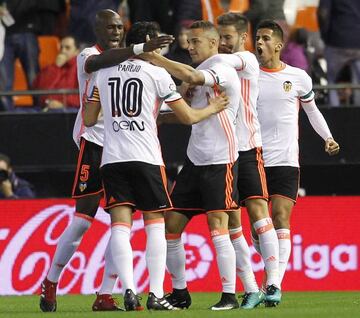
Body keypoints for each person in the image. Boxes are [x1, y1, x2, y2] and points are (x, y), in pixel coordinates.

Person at [83, 21, 229, 311]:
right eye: (159, 44)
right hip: (147, 158)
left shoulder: (103, 73)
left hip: (112, 159)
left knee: (120, 227)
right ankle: (156, 293)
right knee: (154, 224)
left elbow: (89, 119)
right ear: (149, 43)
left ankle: (128, 289)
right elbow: (187, 118)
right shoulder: (157, 74)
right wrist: (212, 108)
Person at [39, 9, 174, 313]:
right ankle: (51, 280)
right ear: (97, 29)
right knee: (83, 218)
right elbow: (98, 64)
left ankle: (106, 292)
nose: (115, 31)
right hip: (94, 143)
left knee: (121, 221)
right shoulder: (89, 54)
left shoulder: (134, 64)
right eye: (109, 27)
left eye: (119, 27)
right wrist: (142, 49)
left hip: (125, 147)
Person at [143, 20, 242, 310]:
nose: (189, 47)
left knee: (217, 224)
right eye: (187, 42)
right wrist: (158, 117)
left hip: (220, 160)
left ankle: (229, 295)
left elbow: (192, 77)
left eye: (194, 42)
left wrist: (154, 57)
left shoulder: (221, 69)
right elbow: (188, 113)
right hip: (195, 160)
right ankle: (180, 292)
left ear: (213, 43)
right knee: (171, 225)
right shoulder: (195, 76)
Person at [254, 20, 340, 304]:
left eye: (265, 38)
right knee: (258, 228)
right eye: (257, 37)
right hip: (253, 158)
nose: (259, 42)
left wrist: (327, 137)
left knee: (280, 217)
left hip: (286, 160)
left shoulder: (299, 77)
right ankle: (270, 274)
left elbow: (312, 110)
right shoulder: (248, 76)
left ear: (278, 45)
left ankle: (274, 285)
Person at [215, 12, 281, 308]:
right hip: (222, 151)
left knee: (259, 213)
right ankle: (251, 288)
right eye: (220, 38)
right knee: (231, 221)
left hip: (248, 148)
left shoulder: (246, 59)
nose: (223, 44)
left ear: (243, 38)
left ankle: (274, 283)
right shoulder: (216, 65)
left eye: (227, 37)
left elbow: (218, 62)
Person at [317, 0, 360, 107]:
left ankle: (335, 114)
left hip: (336, 41)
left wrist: (325, 36)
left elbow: (323, 13)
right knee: (358, 82)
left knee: (332, 82)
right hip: (357, 42)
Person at [32, 36, 80, 111]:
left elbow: (85, 95)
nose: (63, 51)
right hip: (47, 107)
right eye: (61, 47)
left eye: (67, 48)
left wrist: (62, 103)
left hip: (70, 108)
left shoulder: (82, 68)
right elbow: (41, 90)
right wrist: (55, 67)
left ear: (77, 51)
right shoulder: (52, 67)